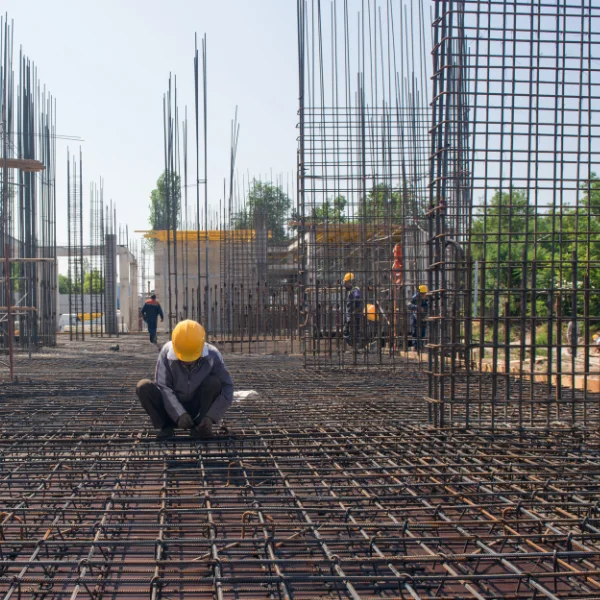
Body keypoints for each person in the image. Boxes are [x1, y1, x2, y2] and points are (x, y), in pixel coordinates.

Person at [136, 319, 234, 440]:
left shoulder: (212, 355)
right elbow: (163, 386)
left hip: (197, 406)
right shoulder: (166, 353)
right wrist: (179, 414)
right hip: (170, 409)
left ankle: (200, 426)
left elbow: (227, 387)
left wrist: (211, 416)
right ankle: (166, 427)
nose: (188, 361)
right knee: (144, 386)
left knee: (214, 383)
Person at [343, 272, 363, 347]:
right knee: (349, 333)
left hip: (353, 317)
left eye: (345, 282)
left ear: (349, 282)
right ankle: (355, 346)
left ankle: (355, 347)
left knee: (350, 333)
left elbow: (358, 303)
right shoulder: (351, 291)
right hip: (350, 317)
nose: (345, 284)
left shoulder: (355, 291)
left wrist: (353, 313)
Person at [409, 285, 428, 351]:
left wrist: (424, 309)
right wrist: (417, 307)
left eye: (424, 293)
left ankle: (421, 346)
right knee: (415, 332)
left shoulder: (427, 297)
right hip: (415, 316)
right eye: (422, 294)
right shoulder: (415, 297)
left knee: (422, 332)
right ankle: (415, 346)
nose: (423, 295)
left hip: (423, 317)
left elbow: (429, 306)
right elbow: (409, 305)